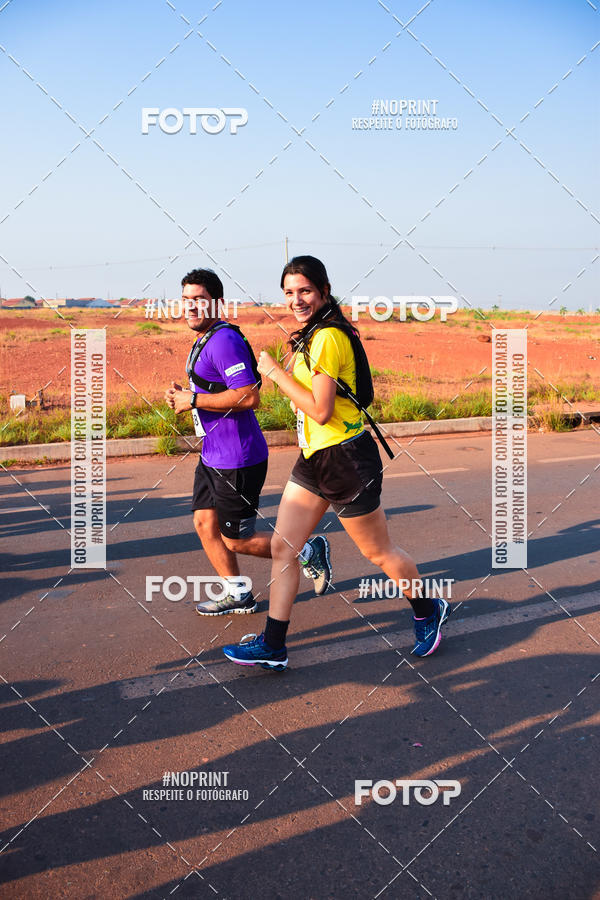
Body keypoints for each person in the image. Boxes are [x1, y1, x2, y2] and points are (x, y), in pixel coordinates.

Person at [222, 255, 451, 668]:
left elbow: (321, 409)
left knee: (379, 553)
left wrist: (275, 373)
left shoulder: (328, 337)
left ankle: (427, 610)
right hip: (314, 457)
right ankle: (274, 645)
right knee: (282, 547)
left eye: (305, 290)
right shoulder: (311, 335)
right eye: (289, 292)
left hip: (345, 458)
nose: (296, 299)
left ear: (324, 291)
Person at [165, 267, 330, 616]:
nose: (191, 308)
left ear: (217, 303)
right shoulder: (204, 338)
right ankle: (237, 592)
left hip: (236, 459)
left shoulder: (224, 340)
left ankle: (307, 551)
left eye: (199, 301)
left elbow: (249, 396)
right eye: (186, 301)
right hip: (213, 453)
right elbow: (216, 388)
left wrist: (192, 401)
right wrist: (187, 394)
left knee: (236, 539)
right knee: (203, 523)